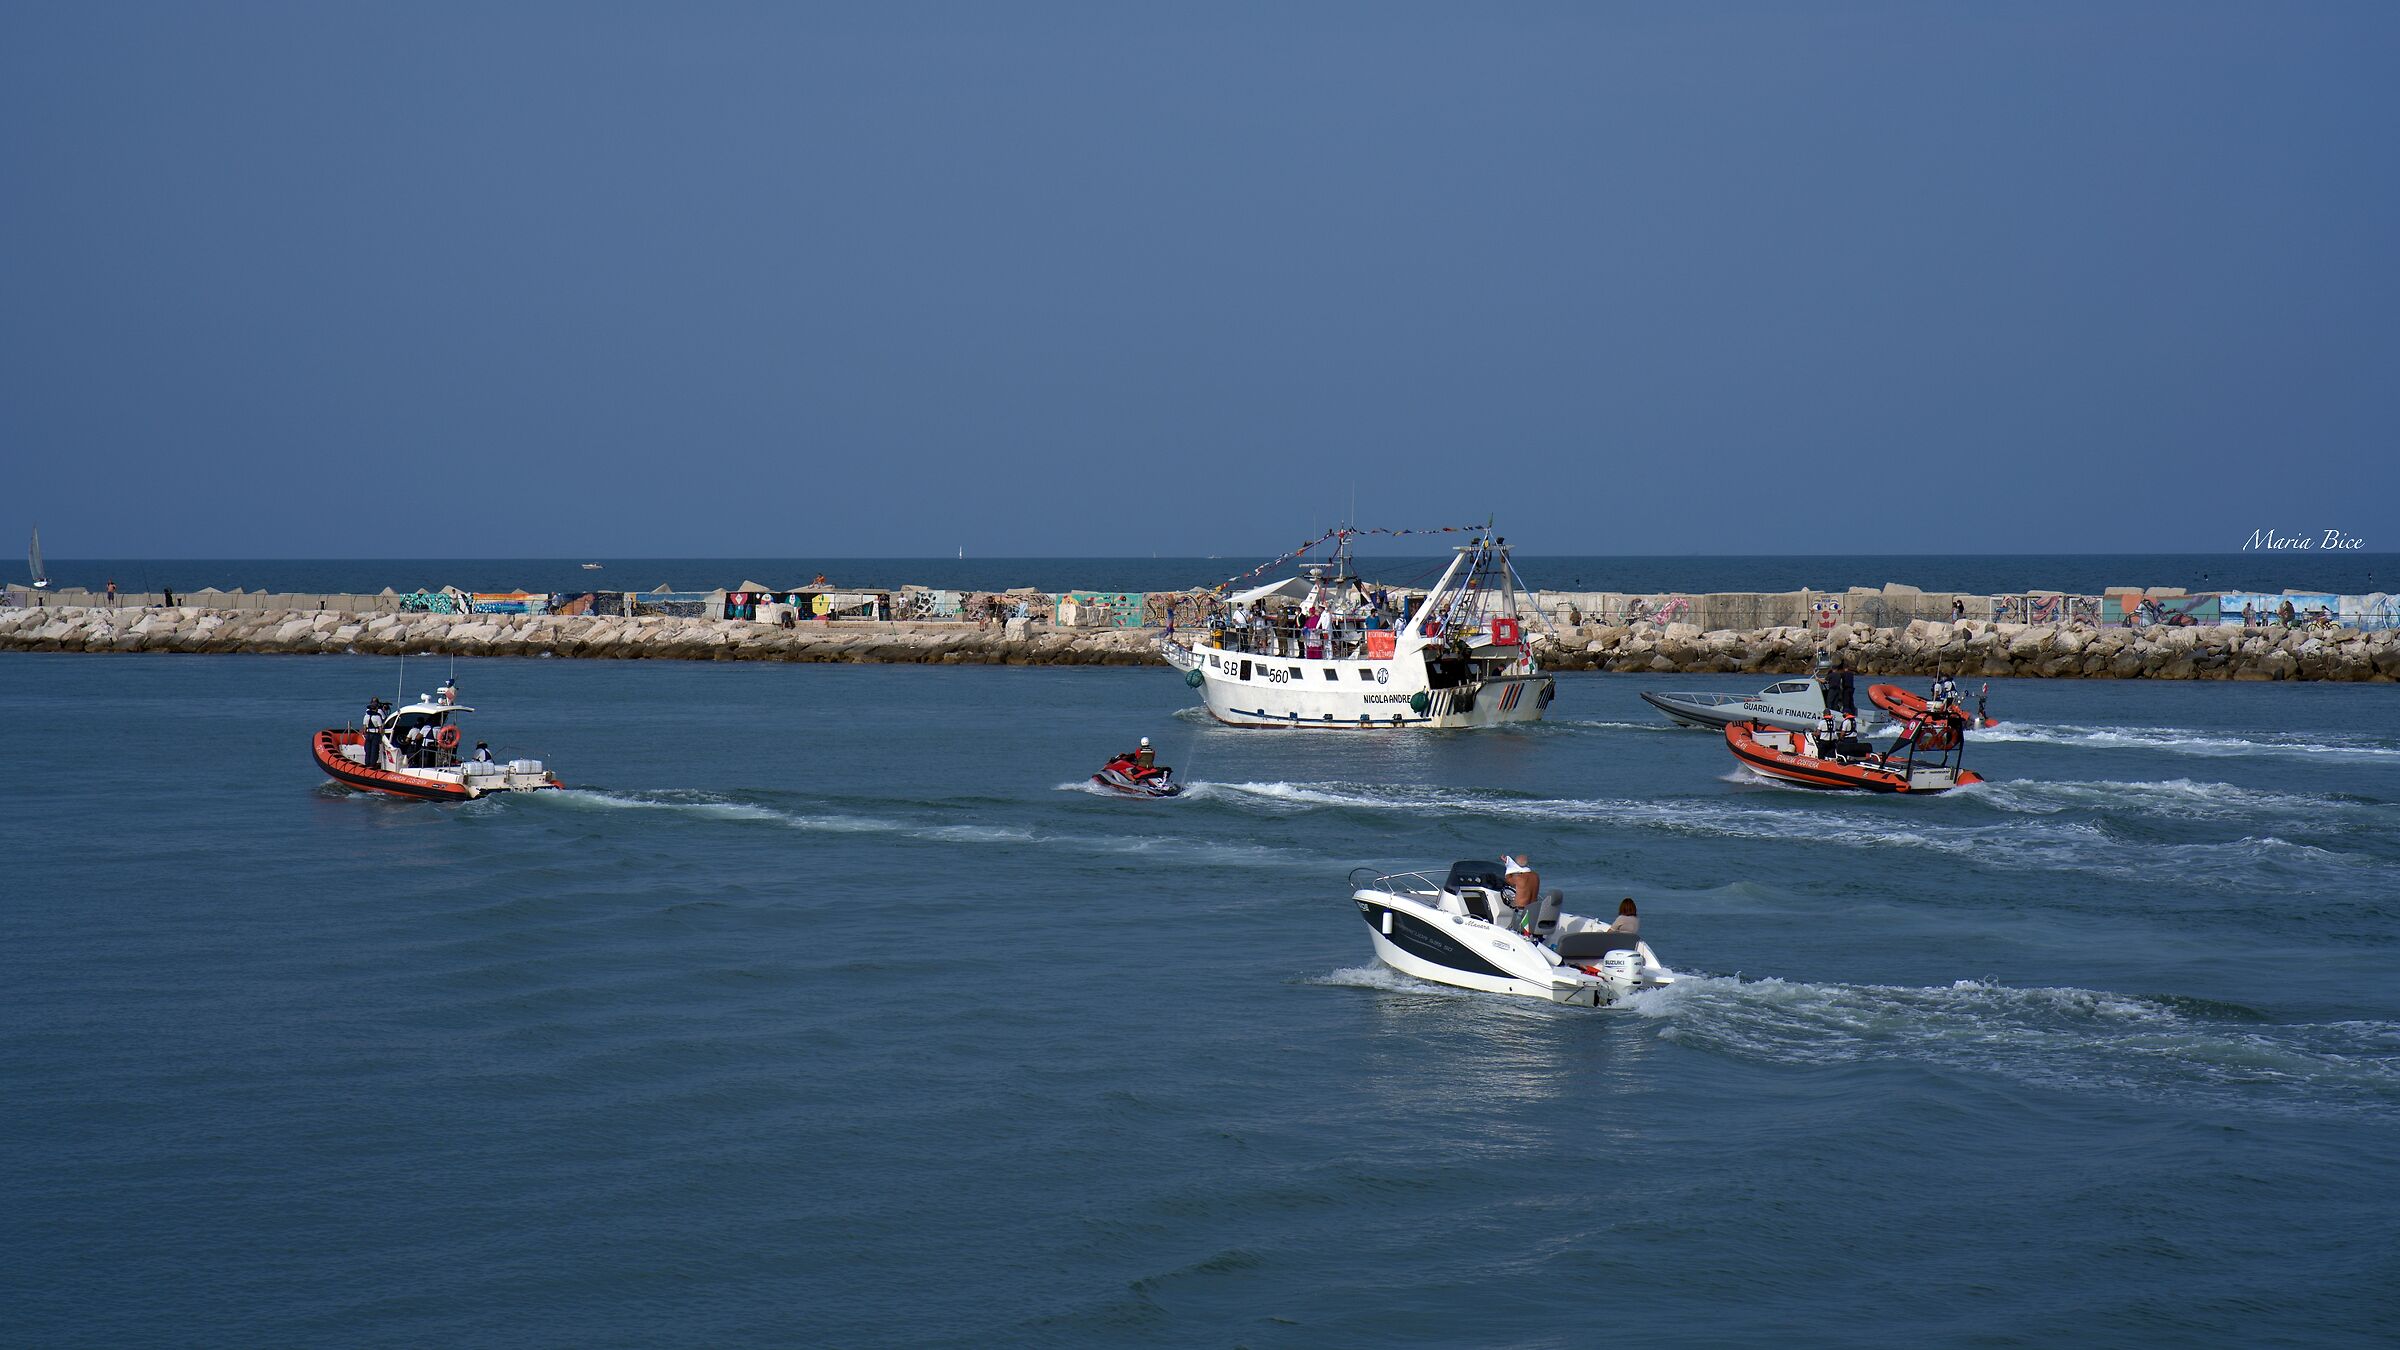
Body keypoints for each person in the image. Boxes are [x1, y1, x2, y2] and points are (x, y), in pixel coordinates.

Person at [1501, 855, 1540, 931]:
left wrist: (1508, 864)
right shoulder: (1536, 876)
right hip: (1533, 909)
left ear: (1516, 865)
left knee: (1515, 931)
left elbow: (1507, 878)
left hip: (1521, 910)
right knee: (1526, 931)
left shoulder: (1518, 878)